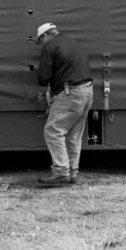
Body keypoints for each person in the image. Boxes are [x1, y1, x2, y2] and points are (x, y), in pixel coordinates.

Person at [34, 23, 93, 185]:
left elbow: (44, 74)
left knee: (53, 130)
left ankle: (60, 171)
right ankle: (72, 172)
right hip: (87, 90)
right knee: (74, 134)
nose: (42, 45)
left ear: (45, 36)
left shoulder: (50, 46)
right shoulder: (72, 42)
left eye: (41, 41)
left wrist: (41, 92)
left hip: (71, 91)